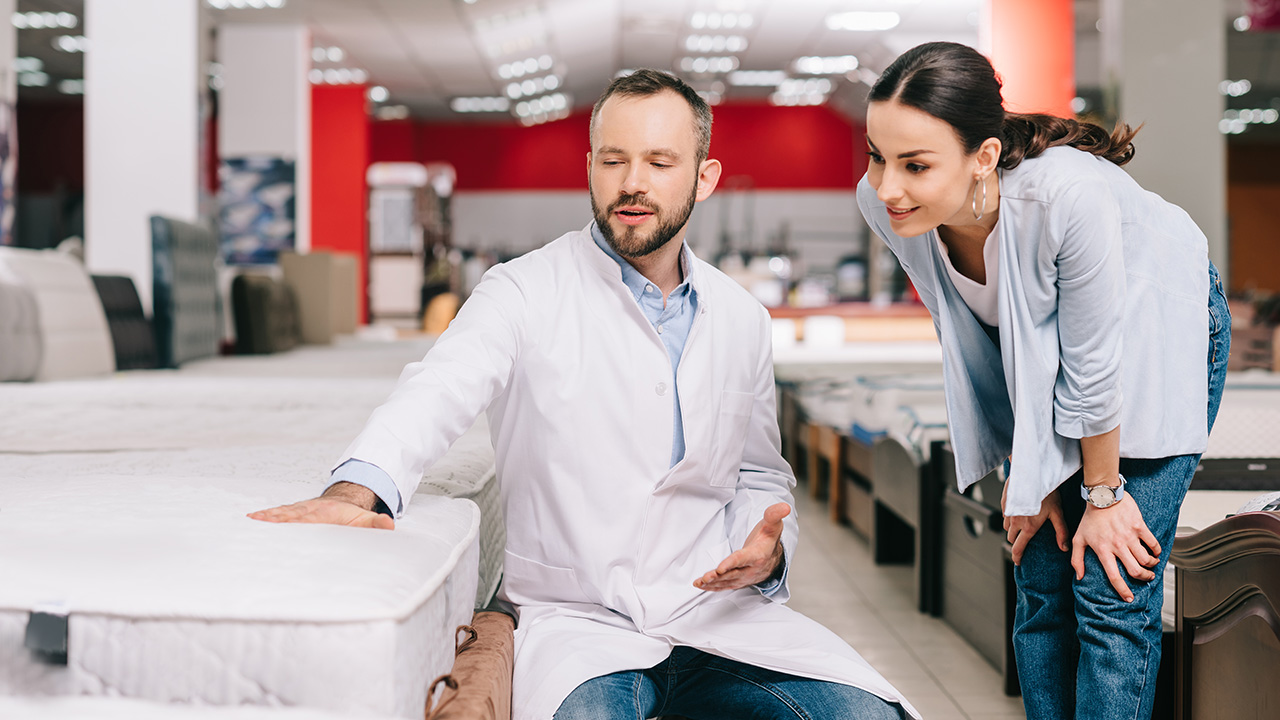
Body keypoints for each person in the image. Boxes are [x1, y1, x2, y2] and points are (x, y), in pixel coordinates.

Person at [252, 69, 917, 720]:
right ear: (590, 167)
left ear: (703, 177)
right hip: (579, 622)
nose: (632, 183)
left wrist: (770, 551)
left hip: (720, 618)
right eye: (613, 160)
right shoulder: (523, 290)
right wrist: (354, 490)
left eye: (660, 162)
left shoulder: (742, 317)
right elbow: (438, 387)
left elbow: (759, 473)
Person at [856, 42, 1230, 720]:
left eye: (915, 165)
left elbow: (1093, 360)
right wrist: (1030, 476)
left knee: (1109, 589)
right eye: (877, 155)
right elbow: (975, 338)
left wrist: (1102, 492)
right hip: (1063, 366)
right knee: (1041, 575)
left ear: (984, 157)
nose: (887, 186)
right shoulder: (888, 205)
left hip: (1156, 333)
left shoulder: (1067, 197)